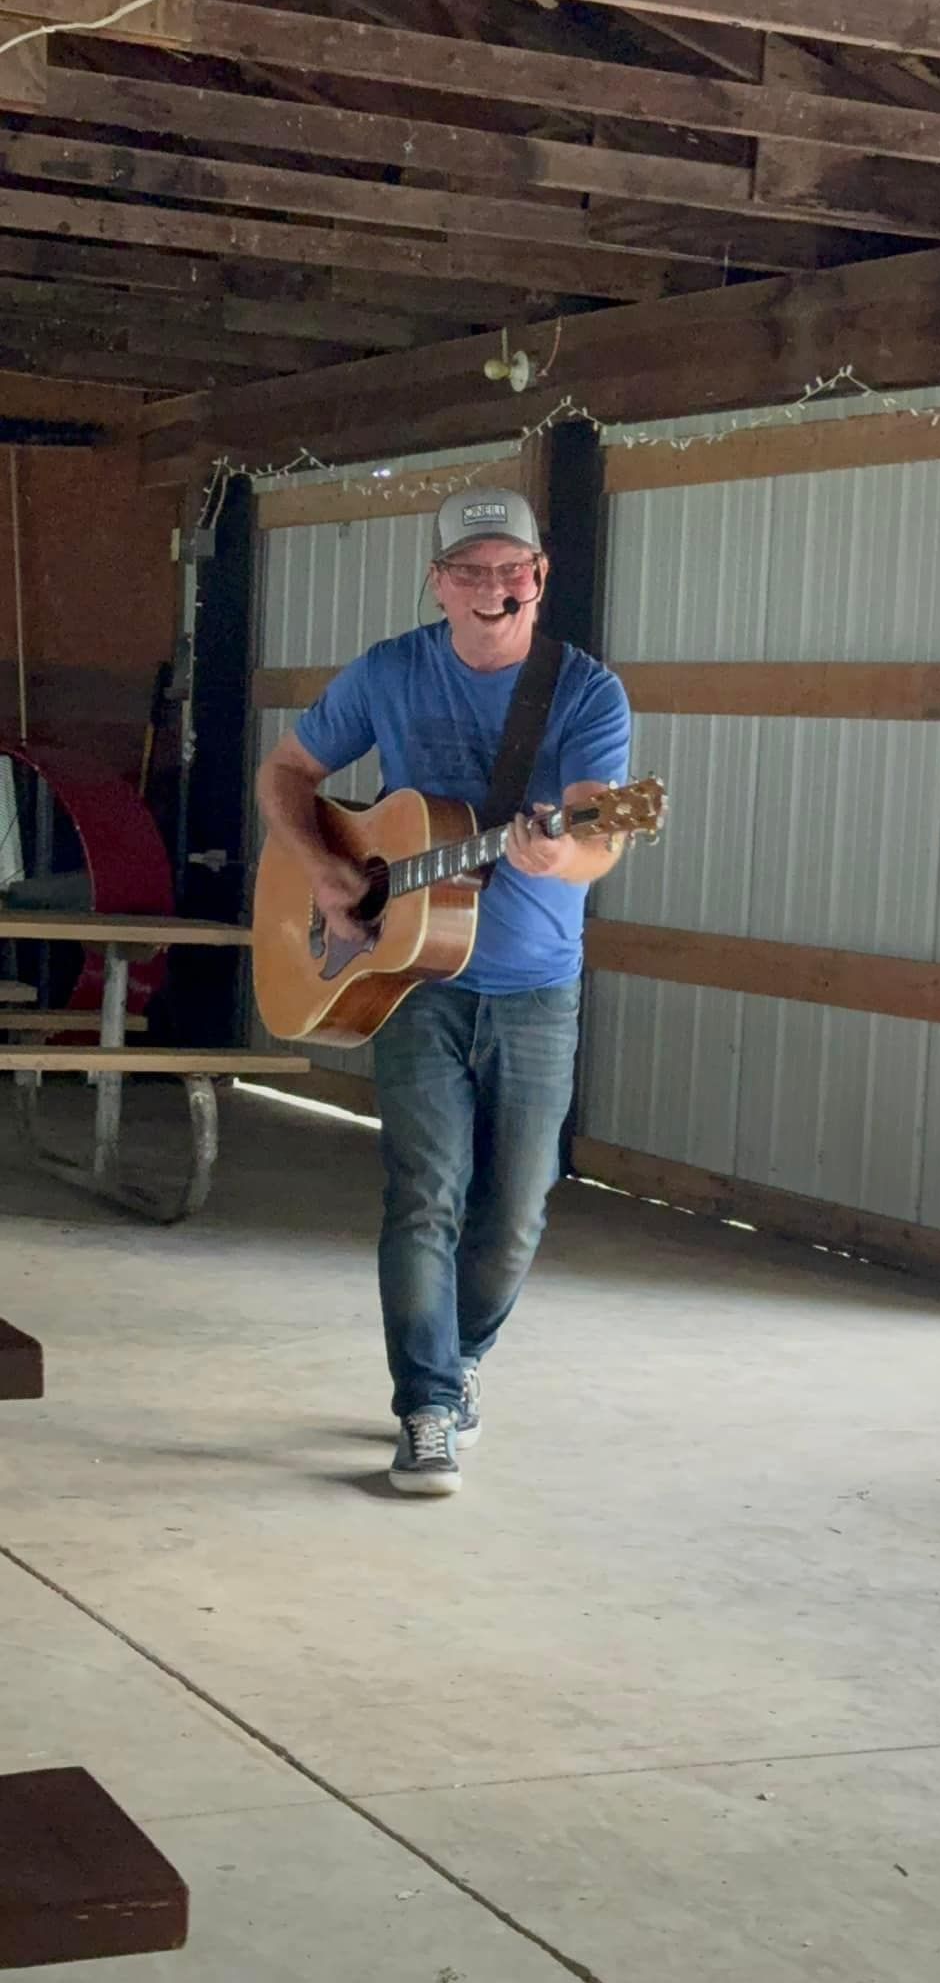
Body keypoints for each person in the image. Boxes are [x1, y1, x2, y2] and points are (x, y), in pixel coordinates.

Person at [257, 488, 631, 1497]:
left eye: (511, 569)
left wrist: (556, 854)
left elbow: (600, 832)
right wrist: (327, 871)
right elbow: (286, 772)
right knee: (424, 1192)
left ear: (539, 578)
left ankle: (460, 1356)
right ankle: (425, 1405)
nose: (492, 588)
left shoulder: (586, 693)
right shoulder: (390, 670)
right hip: (412, 981)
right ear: (438, 584)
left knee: (515, 1212)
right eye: (470, 570)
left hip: (536, 984)